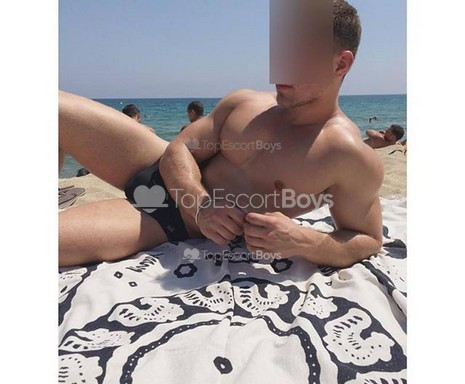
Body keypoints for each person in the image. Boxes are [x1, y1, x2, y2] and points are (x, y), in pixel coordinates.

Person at [59, 0, 383, 269]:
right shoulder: (245, 102)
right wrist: (201, 205)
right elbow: (179, 149)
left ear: (340, 64)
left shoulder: (349, 156)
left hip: (165, 219)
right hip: (153, 160)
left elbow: (368, 239)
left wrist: (304, 241)